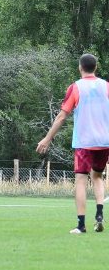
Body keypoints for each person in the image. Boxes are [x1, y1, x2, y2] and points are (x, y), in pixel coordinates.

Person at [37, 53, 109, 234]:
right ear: (96, 67)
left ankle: (81, 225)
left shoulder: (76, 88)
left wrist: (47, 138)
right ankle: (99, 215)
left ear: (80, 67)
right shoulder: (106, 86)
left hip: (84, 142)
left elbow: (62, 116)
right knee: (98, 177)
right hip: (104, 141)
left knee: (81, 181)